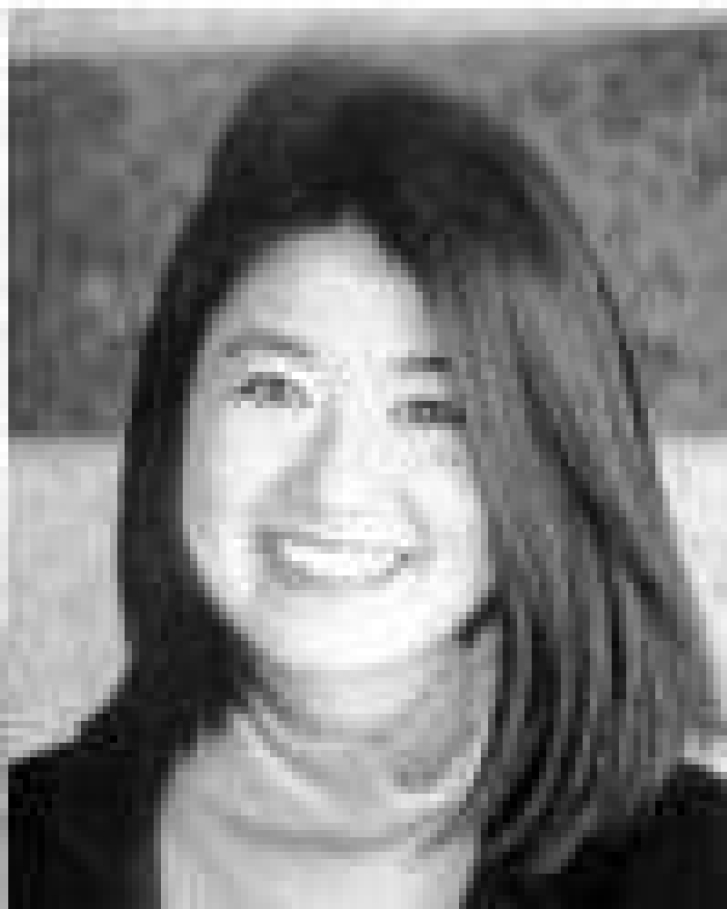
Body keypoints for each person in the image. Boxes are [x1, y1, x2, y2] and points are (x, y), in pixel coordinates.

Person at [10, 49, 727, 909]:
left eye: (431, 409)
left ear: (550, 456)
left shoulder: (695, 865)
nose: (337, 486)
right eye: (274, 389)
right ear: (176, 413)